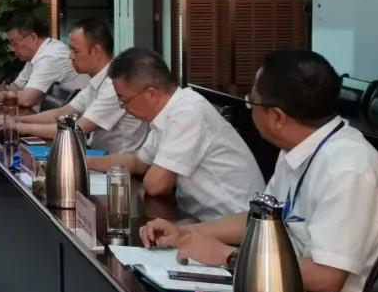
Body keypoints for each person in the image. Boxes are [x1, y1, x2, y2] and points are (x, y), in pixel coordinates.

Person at [141, 49, 378, 292]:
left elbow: (326, 278)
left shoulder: (349, 169)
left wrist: (229, 257)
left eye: (251, 102)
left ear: (277, 117)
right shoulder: (297, 147)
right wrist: (187, 233)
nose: (249, 108)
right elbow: (260, 220)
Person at [87, 47, 263, 220]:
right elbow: (138, 162)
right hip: (198, 221)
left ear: (150, 94)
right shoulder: (168, 112)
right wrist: (86, 162)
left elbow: (156, 185)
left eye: (124, 100)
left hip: (235, 224)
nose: (122, 107)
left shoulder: (188, 112)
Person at [9, 19, 150, 153]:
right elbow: (62, 113)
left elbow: (76, 129)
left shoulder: (114, 84)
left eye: (75, 51)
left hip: (117, 164)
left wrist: (21, 127)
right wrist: (18, 120)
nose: (70, 56)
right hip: (97, 155)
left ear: (96, 51)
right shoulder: (97, 80)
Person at [0, 12, 89, 111]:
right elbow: (16, 87)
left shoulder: (51, 56)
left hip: (71, 121)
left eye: (14, 43)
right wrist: (1, 89)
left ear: (33, 37)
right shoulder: (36, 55)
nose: (12, 49)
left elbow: (27, 99)